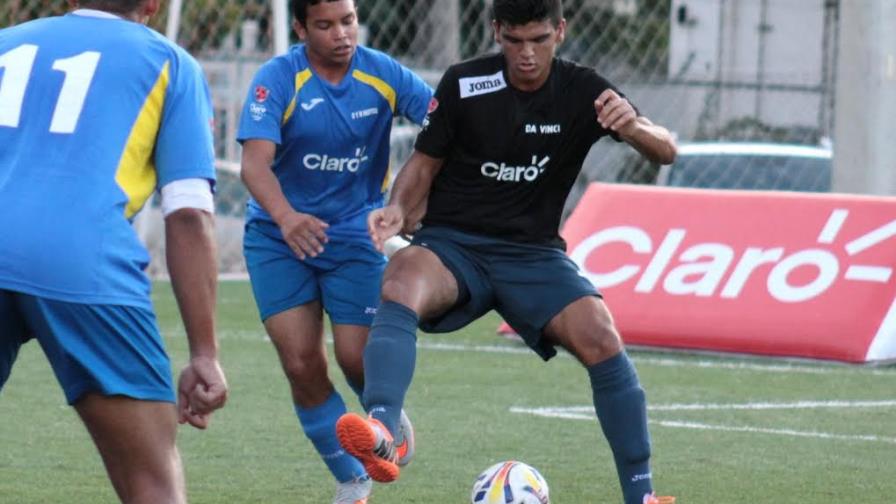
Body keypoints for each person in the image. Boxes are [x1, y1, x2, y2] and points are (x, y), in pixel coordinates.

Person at [335, 1, 678, 503]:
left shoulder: (585, 90)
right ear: (496, 32)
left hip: (533, 254)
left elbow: (666, 148)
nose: (526, 54)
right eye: (514, 41)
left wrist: (634, 128)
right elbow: (424, 164)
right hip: (454, 245)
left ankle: (642, 495)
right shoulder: (464, 84)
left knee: (601, 337)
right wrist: (396, 211)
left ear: (560, 32)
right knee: (403, 275)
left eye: (539, 39)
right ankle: (384, 432)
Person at [0, 1, 228, 503]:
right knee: (152, 481)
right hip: (80, 256)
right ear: (153, 4)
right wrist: (204, 354)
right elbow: (188, 215)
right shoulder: (170, 64)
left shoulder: (7, 43)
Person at [236, 0, 432, 502]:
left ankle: (382, 419)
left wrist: (412, 200)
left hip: (354, 235)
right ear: (300, 28)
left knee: (354, 356)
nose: (341, 34)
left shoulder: (382, 73)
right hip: (279, 239)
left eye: (348, 21)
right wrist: (286, 218)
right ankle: (352, 478)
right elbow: (254, 167)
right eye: (324, 25)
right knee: (301, 363)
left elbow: (444, 126)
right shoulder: (277, 79)